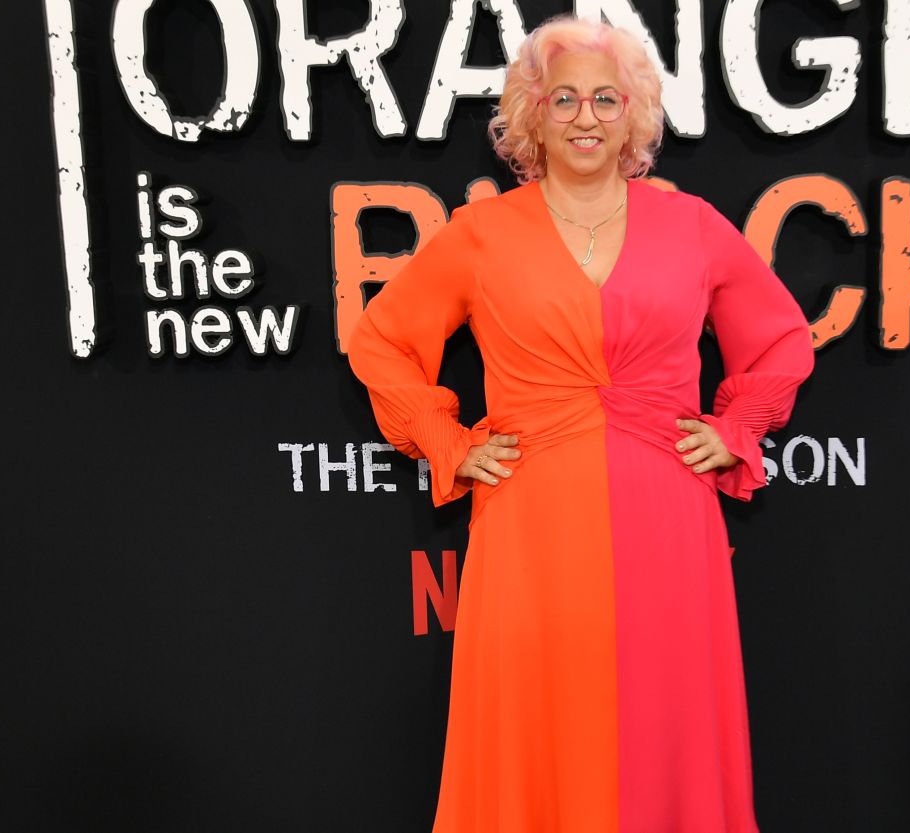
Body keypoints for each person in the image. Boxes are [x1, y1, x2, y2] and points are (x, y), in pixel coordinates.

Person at [347, 14, 814, 833]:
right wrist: (449, 442)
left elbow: (780, 340)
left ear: (634, 113)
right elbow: (381, 340)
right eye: (563, 98)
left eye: (606, 97)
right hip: (529, 524)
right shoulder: (481, 235)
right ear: (531, 114)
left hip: (669, 521)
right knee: (535, 722)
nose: (586, 116)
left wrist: (736, 428)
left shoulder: (695, 227)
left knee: (665, 719)